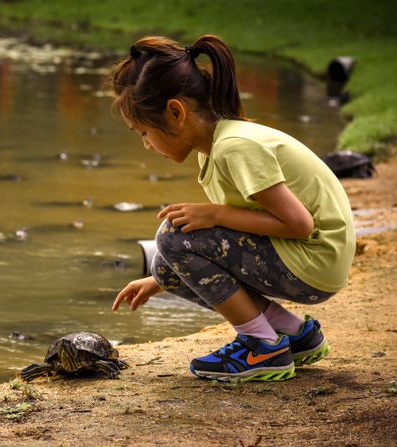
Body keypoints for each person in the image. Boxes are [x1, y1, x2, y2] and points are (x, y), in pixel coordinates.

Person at [109, 35, 355, 382]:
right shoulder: (217, 149)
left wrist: (214, 214)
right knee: (167, 260)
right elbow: (235, 240)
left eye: (144, 133)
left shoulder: (234, 148)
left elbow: (299, 223)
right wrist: (162, 278)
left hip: (315, 260)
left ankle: (262, 347)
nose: (147, 145)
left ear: (176, 112)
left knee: (173, 234)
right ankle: (293, 333)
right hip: (311, 259)